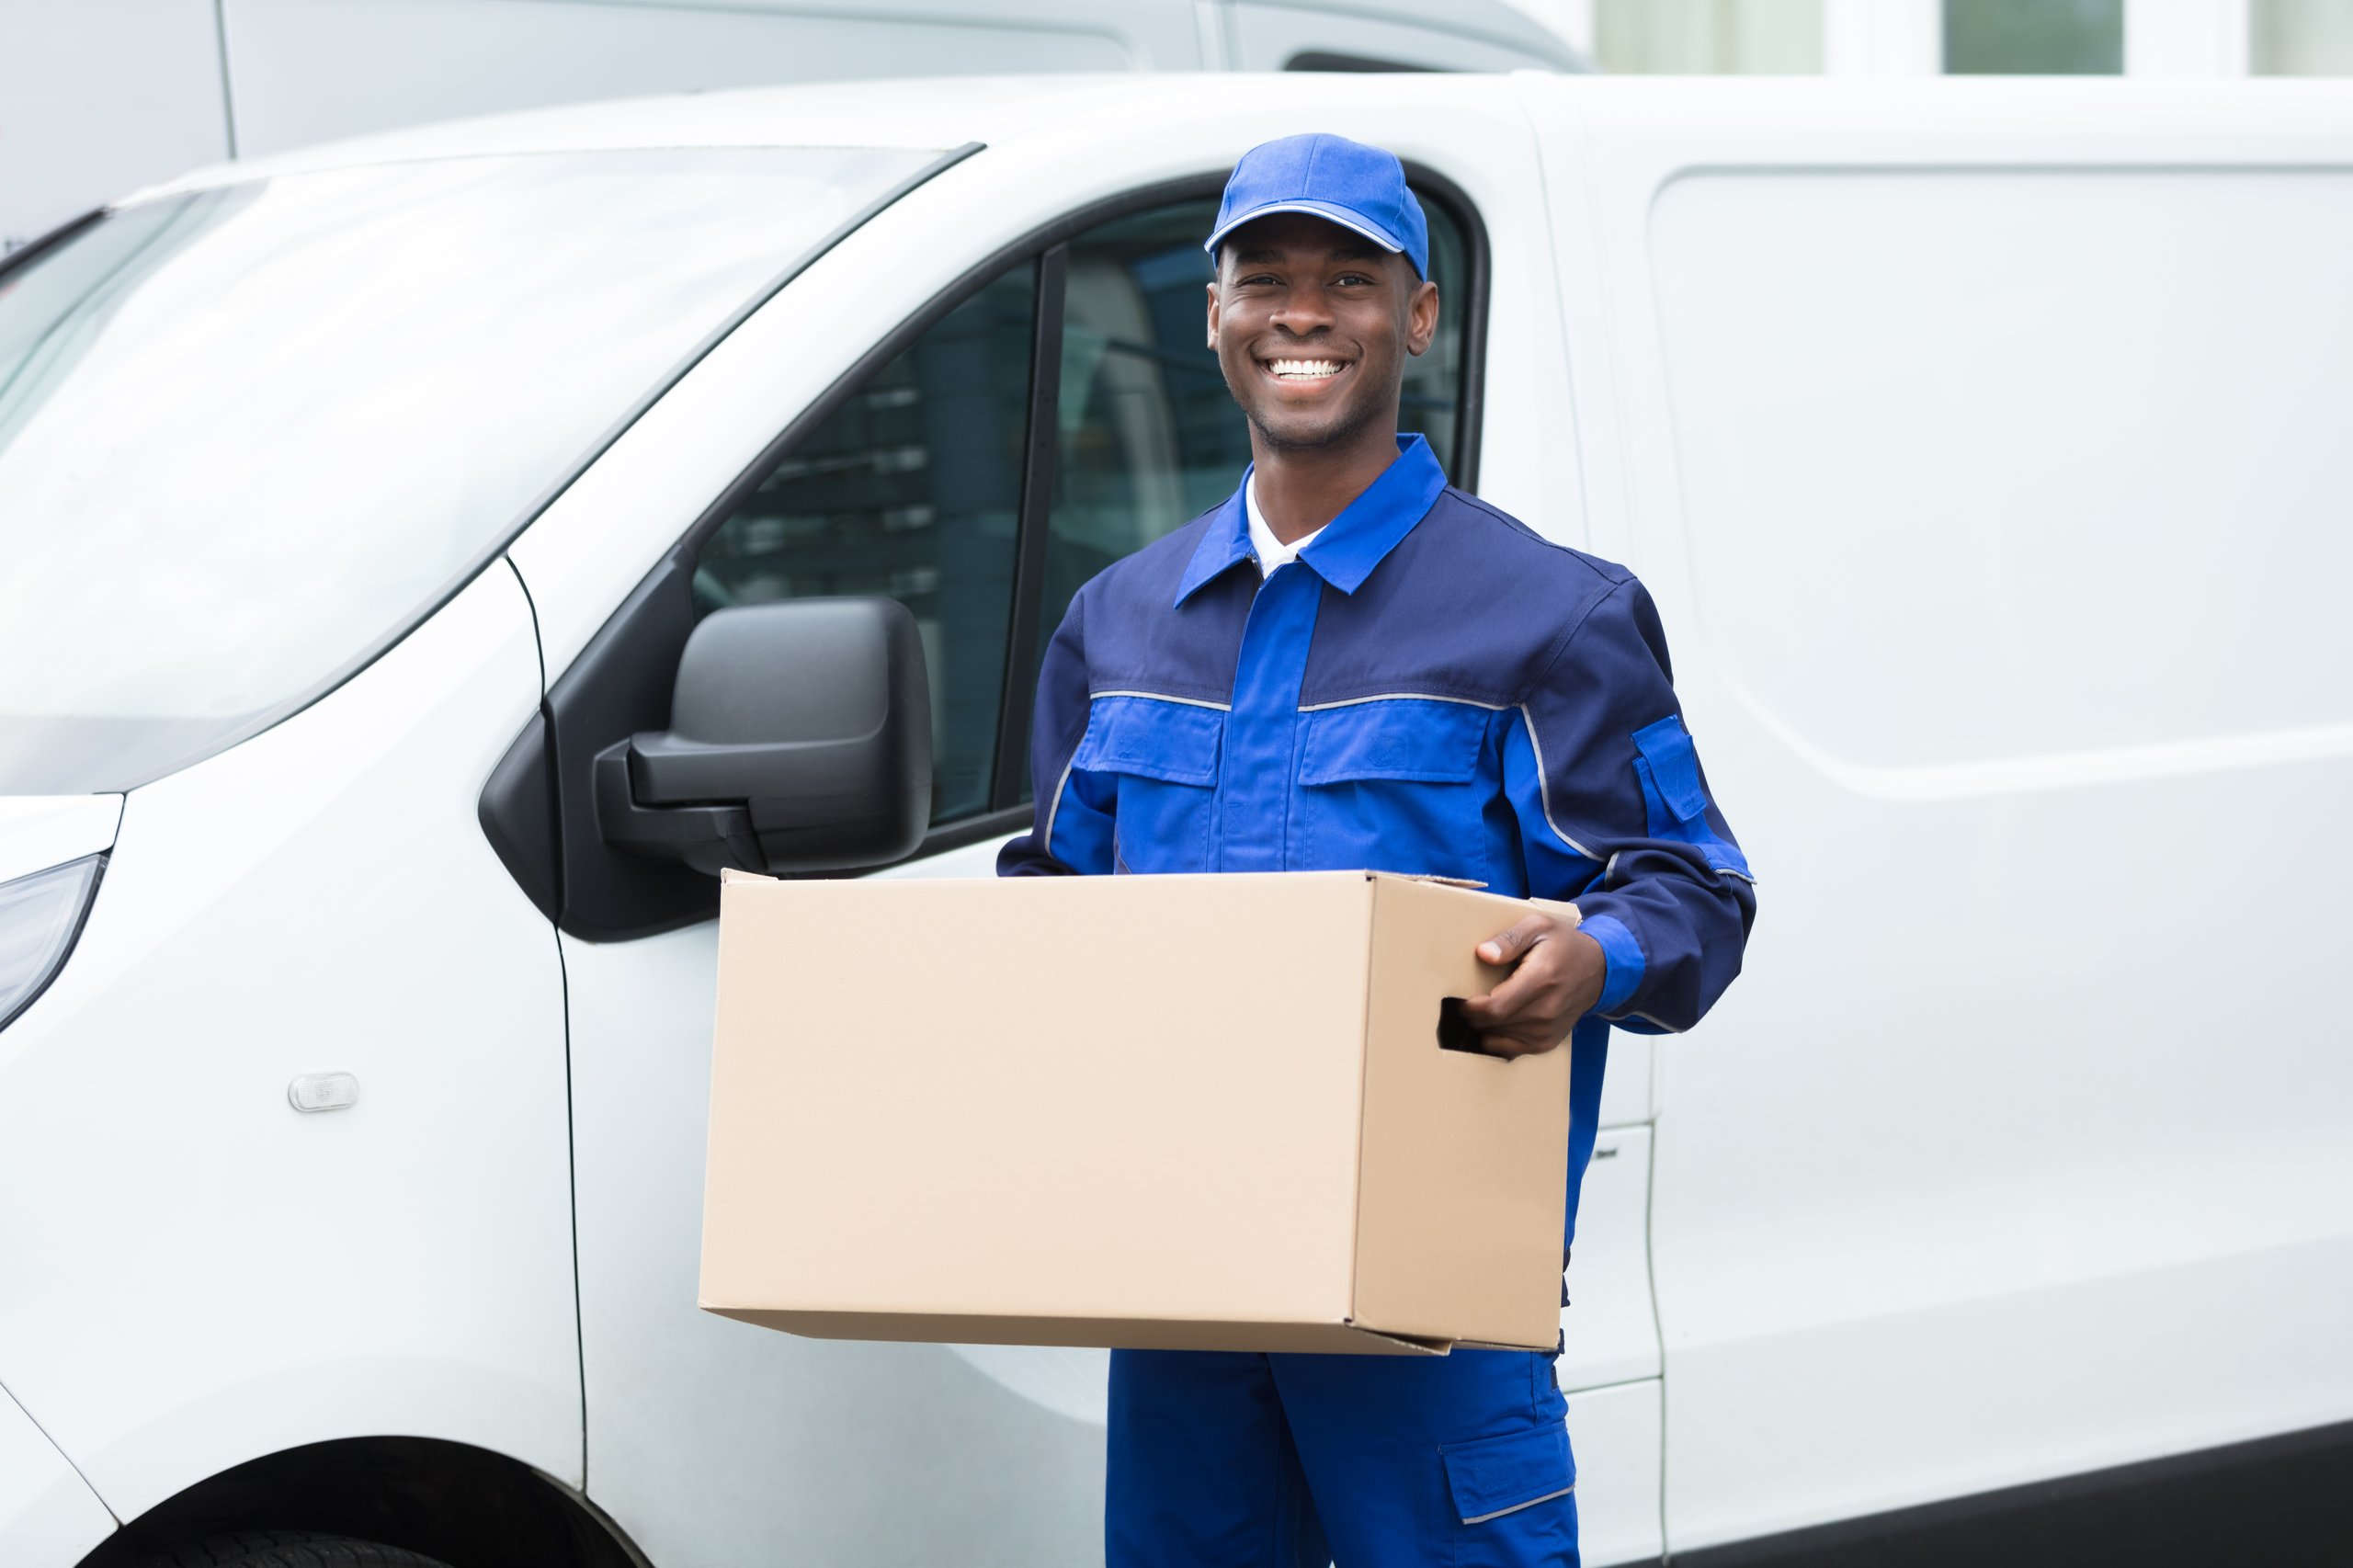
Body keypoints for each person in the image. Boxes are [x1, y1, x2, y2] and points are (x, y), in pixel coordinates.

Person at [998, 131, 1756, 1568]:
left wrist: (1595, 952)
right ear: (1212, 315)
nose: (1303, 312)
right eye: (1264, 278)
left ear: (1418, 317)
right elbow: (1053, 915)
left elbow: (1696, 888)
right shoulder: (1118, 623)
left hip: (1432, 1306)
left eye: (1350, 278)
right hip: (1183, 1292)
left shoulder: (1548, 614)